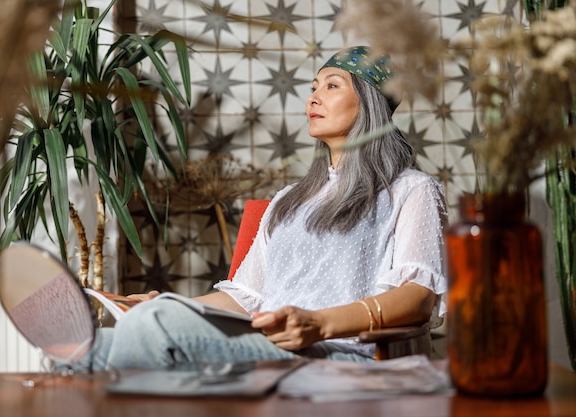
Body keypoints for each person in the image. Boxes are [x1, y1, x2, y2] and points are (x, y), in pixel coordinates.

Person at [89, 46, 448, 370]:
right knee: (92, 346)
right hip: (265, 345)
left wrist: (319, 323)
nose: (313, 98)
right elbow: (246, 297)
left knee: (152, 331)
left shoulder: (411, 190)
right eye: (313, 87)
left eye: (332, 86)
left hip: (340, 352)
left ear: (369, 103)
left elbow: (417, 297)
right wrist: (164, 303)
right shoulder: (289, 199)